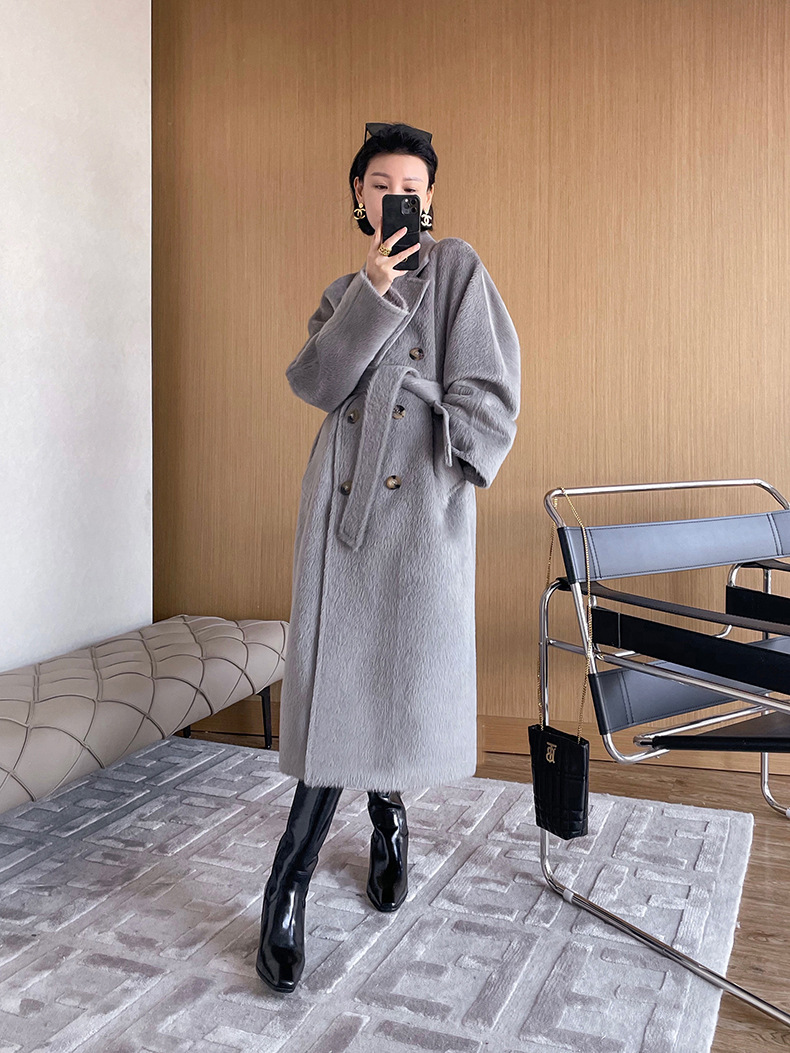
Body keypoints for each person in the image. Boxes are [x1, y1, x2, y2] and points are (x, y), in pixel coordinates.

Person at [256, 122, 521, 993]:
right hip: (343, 508)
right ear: (360, 198)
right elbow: (316, 383)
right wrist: (370, 292)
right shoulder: (345, 291)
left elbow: (491, 389)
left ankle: (388, 817)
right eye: (381, 184)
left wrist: (452, 469)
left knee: (389, 681)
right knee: (340, 686)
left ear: (430, 198)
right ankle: (288, 884)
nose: (397, 196)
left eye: (411, 185)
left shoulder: (459, 270)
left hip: (416, 512)